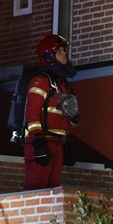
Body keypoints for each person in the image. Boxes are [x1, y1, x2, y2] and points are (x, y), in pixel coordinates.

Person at [23, 33, 80, 190]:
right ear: (49, 56)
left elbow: (66, 116)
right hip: (41, 143)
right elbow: (32, 115)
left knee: (52, 193)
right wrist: (38, 141)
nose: (65, 53)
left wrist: (69, 141)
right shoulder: (41, 81)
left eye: (64, 50)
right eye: (60, 50)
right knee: (36, 192)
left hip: (58, 143)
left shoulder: (63, 84)